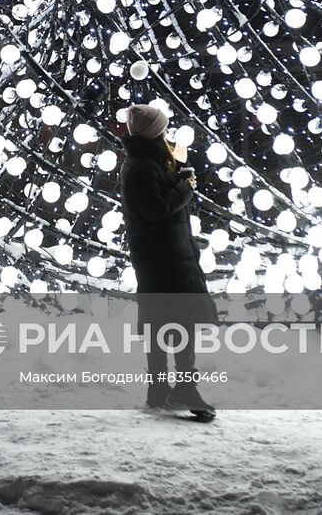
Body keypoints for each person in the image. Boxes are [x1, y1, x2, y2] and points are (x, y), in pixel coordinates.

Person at [119, 103, 217, 422]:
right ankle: (183, 388)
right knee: (179, 320)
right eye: (163, 128)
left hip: (163, 255)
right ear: (154, 133)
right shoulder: (142, 167)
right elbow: (156, 209)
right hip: (164, 258)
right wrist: (185, 189)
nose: (167, 133)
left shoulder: (146, 161)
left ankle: (160, 389)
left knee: (163, 321)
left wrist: (180, 173)